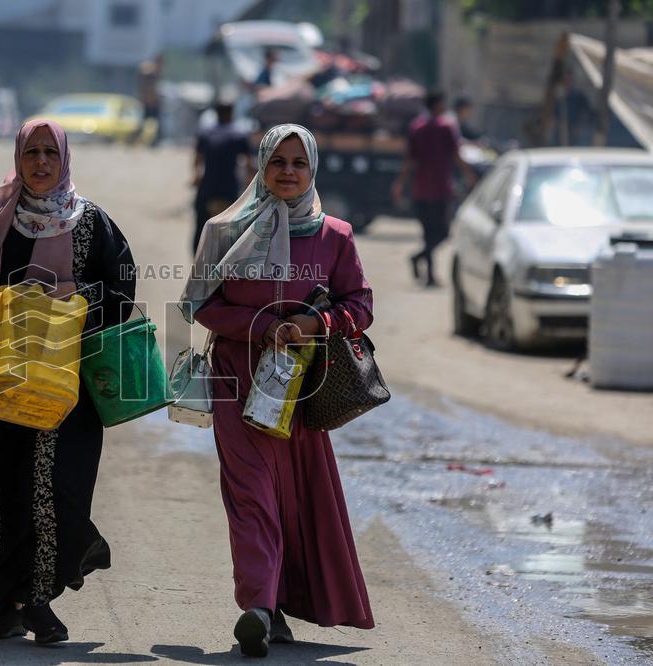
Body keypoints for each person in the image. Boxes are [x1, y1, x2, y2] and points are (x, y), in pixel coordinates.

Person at [0, 120, 136, 644]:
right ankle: (7, 605)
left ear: (65, 159)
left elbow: (123, 289)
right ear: (18, 158)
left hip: (66, 385)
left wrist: (67, 302)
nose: (41, 163)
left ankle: (42, 597)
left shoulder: (91, 224)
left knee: (57, 486)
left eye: (50, 153)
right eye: (31, 153)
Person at [180, 124, 375, 658]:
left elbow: (360, 305)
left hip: (302, 386)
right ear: (259, 167)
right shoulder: (223, 231)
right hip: (236, 381)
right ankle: (259, 610)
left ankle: (276, 603)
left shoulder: (334, 236)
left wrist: (313, 325)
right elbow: (201, 305)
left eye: (299, 163)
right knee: (251, 497)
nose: (287, 172)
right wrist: (261, 326)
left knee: (293, 496)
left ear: (313, 171)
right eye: (277, 162)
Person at [392, 91, 476, 287]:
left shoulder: (417, 127)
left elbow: (409, 161)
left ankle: (422, 263)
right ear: (437, 105)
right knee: (443, 232)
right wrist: (470, 175)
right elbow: (457, 155)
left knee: (429, 233)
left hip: (421, 189)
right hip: (441, 189)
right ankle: (426, 271)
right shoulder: (447, 127)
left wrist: (400, 183)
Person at [192, 102, 252, 253]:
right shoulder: (239, 135)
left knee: (201, 227)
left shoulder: (205, 133)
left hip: (207, 187)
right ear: (232, 113)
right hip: (229, 188)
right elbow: (247, 164)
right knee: (230, 229)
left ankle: (198, 260)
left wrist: (196, 177)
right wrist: (249, 184)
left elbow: (197, 160)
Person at [138, 54, 163, 146]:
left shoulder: (155, 75)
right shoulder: (149, 72)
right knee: (143, 123)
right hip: (148, 103)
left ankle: (155, 141)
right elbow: (143, 69)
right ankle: (139, 140)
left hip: (154, 103)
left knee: (157, 124)